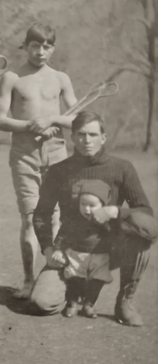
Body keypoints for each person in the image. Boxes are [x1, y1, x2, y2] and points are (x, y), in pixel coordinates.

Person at [30, 111, 156, 327]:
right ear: (73, 137)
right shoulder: (60, 171)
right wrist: (49, 250)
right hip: (69, 249)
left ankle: (125, 301)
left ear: (103, 137)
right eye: (81, 134)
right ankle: (72, 293)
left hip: (111, 248)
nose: (87, 140)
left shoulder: (122, 168)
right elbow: (42, 213)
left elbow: (146, 215)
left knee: (143, 236)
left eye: (93, 134)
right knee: (42, 303)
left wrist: (114, 212)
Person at [0, 23, 78, 298]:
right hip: (24, 156)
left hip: (56, 154)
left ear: (53, 48)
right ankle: (28, 281)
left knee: (55, 217)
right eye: (35, 45)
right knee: (29, 219)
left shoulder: (61, 78)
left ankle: (49, 279)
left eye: (46, 46)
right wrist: (31, 126)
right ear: (26, 46)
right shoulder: (11, 78)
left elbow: (76, 117)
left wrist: (53, 120)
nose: (40, 52)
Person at [51, 179, 113, 318]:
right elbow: (63, 234)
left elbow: (115, 236)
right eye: (83, 204)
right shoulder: (74, 219)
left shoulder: (107, 221)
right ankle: (72, 303)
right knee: (74, 279)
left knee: (97, 281)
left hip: (100, 256)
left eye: (92, 205)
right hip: (77, 254)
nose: (86, 209)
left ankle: (89, 304)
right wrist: (58, 249)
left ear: (103, 205)